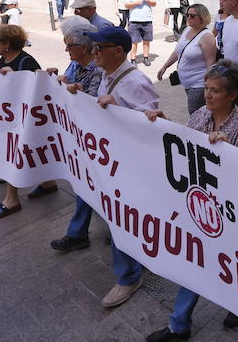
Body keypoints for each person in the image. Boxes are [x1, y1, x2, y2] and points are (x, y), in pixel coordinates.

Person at [143, 60, 238, 341]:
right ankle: (179, 325)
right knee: (196, 264)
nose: (207, 95)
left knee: (230, 264)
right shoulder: (199, 116)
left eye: (215, 90)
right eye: (207, 88)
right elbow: (184, 147)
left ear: (232, 95)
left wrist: (226, 155)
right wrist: (164, 125)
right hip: (198, 207)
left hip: (227, 214)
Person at [84, 26, 160, 308]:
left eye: (99, 48)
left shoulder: (136, 82)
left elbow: (153, 125)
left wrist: (117, 105)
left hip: (131, 166)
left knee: (122, 217)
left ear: (118, 51)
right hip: (112, 160)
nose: (94, 53)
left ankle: (129, 277)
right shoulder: (107, 75)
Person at [46, 17, 103, 253]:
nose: (66, 50)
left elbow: (93, 104)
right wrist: (58, 80)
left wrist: (77, 93)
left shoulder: (98, 70)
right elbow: (68, 84)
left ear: (84, 46)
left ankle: (86, 232)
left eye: (69, 45)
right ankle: (79, 233)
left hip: (96, 140)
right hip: (81, 138)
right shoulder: (76, 65)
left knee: (93, 184)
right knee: (86, 183)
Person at [0, 25, 48, 220]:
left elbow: (40, 87)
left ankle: (11, 199)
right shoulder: (4, 59)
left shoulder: (26, 61)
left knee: (13, 155)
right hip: (11, 117)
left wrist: (15, 78)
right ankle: (48, 183)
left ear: (7, 43)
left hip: (24, 120)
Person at [156, 4, 217, 114]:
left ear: (202, 18)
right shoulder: (188, 29)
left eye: (192, 16)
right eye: (187, 15)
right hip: (186, 83)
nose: (188, 18)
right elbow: (178, 51)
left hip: (198, 85)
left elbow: (210, 63)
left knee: (195, 113)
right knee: (197, 114)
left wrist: (208, 87)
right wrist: (164, 67)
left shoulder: (207, 37)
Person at [124, 0, 156, 66]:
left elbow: (154, 3)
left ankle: (146, 58)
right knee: (134, 41)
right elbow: (126, 5)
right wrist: (136, 3)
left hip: (147, 20)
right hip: (134, 21)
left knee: (146, 41)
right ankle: (133, 60)